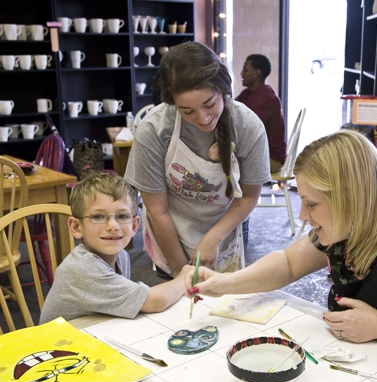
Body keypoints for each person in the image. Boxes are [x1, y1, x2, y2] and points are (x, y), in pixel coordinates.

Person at [185, 130, 377, 360]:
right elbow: (288, 264)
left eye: (311, 204)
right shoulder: (351, 229)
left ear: (352, 201)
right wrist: (225, 282)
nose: (302, 215)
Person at [124, 42, 269, 281]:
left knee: (224, 307)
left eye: (209, 104)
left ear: (223, 88)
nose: (202, 118)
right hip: (171, 229)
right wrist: (182, 272)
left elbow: (250, 196)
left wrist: (213, 238)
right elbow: (157, 210)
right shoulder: (154, 129)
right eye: (187, 111)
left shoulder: (247, 126)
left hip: (227, 222)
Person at [40, 173, 188, 324]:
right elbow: (156, 301)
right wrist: (185, 276)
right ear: (77, 227)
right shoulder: (82, 269)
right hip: (59, 344)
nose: (112, 226)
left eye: (123, 216)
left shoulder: (122, 255)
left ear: (134, 225)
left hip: (92, 332)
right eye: (98, 216)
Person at [235, 54, 286, 174]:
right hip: (259, 155)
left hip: (271, 159)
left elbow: (248, 129)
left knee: (224, 165)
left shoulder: (266, 97)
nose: (241, 74)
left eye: (245, 70)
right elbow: (230, 110)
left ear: (256, 73)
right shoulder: (248, 93)